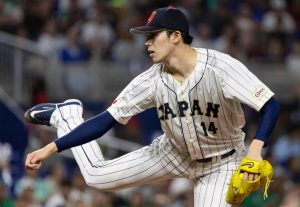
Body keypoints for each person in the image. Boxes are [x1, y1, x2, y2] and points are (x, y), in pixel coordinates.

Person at [24, 7, 280, 207]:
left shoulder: (220, 67)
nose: (147, 42)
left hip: (221, 162)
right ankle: (68, 115)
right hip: (173, 153)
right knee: (95, 177)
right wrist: (51, 147)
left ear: (176, 36)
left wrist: (255, 151)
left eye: (153, 35)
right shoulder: (150, 80)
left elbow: (269, 104)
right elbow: (107, 120)